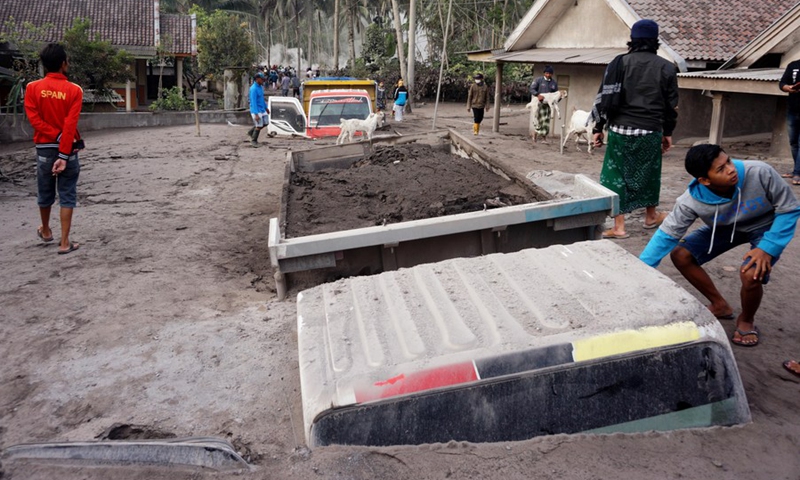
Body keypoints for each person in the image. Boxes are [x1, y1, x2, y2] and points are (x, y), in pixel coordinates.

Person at [640, 144, 800, 347]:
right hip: (725, 228)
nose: (731, 169)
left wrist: (768, 247)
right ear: (704, 180)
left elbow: (789, 209)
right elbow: (667, 234)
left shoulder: (760, 171)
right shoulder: (690, 201)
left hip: (765, 228)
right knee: (680, 255)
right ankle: (720, 305)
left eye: (729, 162)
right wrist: (639, 270)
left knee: (751, 273)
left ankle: (747, 319)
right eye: (721, 169)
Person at [590, 19, 679, 239]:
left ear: (633, 40)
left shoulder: (618, 64)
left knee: (615, 176)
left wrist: (598, 127)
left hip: (620, 131)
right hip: (650, 132)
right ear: (655, 42)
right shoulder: (667, 67)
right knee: (649, 174)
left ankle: (620, 227)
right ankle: (650, 216)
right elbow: (671, 107)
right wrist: (667, 133)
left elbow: (605, 98)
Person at [24, 43, 84, 255]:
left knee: (45, 191)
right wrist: (63, 151)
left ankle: (47, 230)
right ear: (63, 64)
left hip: (44, 150)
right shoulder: (74, 90)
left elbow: (35, 121)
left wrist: (54, 137)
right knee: (67, 194)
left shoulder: (32, 88)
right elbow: (70, 125)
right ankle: (65, 242)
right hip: (68, 150)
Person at [779, 60, 800, 185]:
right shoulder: (793, 65)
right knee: (793, 143)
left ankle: (798, 173)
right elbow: (782, 82)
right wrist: (786, 87)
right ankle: (796, 170)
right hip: (792, 110)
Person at [529, 65, 558, 143]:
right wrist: (538, 95)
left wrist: (556, 101)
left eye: (550, 73)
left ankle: (543, 138)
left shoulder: (554, 83)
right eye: (546, 73)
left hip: (548, 105)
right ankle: (535, 133)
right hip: (539, 104)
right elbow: (531, 89)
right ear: (544, 73)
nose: (548, 75)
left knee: (546, 121)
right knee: (540, 121)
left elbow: (556, 94)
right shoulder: (538, 80)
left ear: (552, 74)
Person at [247, 72, 269, 147]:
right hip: (256, 110)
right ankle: (254, 141)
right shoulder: (253, 89)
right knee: (259, 125)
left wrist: (266, 108)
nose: (263, 80)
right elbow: (253, 102)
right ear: (257, 79)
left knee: (266, 122)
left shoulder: (260, 87)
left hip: (262, 109)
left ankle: (251, 132)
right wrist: (256, 114)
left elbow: (262, 99)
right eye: (262, 79)